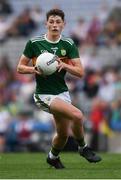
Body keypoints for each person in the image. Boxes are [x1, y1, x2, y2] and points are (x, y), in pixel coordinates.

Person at [17, 9, 102, 169]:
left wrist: (64, 65)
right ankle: (83, 148)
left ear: (63, 24)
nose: (55, 25)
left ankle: (52, 157)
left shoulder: (68, 44)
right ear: (46, 23)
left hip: (62, 93)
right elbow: (20, 67)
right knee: (77, 115)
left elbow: (80, 72)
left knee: (63, 134)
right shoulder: (34, 43)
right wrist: (33, 69)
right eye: (51, 22)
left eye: (58, 22)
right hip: (43, 95)